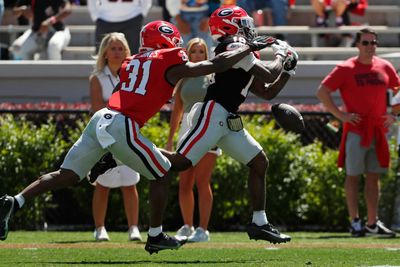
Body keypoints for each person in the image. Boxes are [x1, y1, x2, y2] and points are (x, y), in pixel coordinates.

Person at [0, 19, 267, 254]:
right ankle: (155, 236)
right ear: (167, 41)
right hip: (123, 124)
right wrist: (248, 47)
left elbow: (130, 89)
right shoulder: (170, 59)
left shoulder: (130, 62)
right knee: (162, 173)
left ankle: (16, 201)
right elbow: (213, 65)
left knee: (66, 174)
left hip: (101, 119)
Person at [163, 6, 298, 244]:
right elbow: (268, 74)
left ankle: (259, 223)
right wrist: (281, 55)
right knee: (181, 163)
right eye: (243, 23)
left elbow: (266, 92)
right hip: (213, 113)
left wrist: (288, 70)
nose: (249, 28)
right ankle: (128, 152)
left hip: (227, 118)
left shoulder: (244, 51)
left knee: (259, 162)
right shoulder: (234, 45)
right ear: (231, 25)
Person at [316, 27, 400, 237]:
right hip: (356, 130)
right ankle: (355, 221)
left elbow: (398, 91)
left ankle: (372, 223)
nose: (370, 47)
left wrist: (394, 115)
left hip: (378, 130)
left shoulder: (385, 66)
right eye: (366, 43)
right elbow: (322, 92)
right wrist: (341, 116)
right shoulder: (346, 68)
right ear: (357, 44)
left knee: (374, 177)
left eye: (373, 43)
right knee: (353, 176)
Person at [89, 32, 141, 242]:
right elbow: (96, 108)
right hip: (104, 136)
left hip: (128, 134)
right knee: (102, 183)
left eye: (121, 48)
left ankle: (134, 228)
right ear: (105, 52)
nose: (117, 52)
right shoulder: (97, 77)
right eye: (113, 48)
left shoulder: (134, 74)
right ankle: (100, 228)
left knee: (130, 183)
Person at [166, 37, 217, 242]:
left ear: (207, 55)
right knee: (184, 183)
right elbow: (177, 111)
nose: (197, 55)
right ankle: (187, 226)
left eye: (201, 51)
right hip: (186, 131)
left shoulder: (213, 76)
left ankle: (203, 230)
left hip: (208, 129)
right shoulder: (182, 78)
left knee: (202, 181)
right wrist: (170, 140)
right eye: (194, 51)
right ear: (187, 53)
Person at [87, 0, 151, 54]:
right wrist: (95, 15)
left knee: (132, 55)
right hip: (105, 19)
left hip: (132, 17)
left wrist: (142, 13)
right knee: (101, 56)